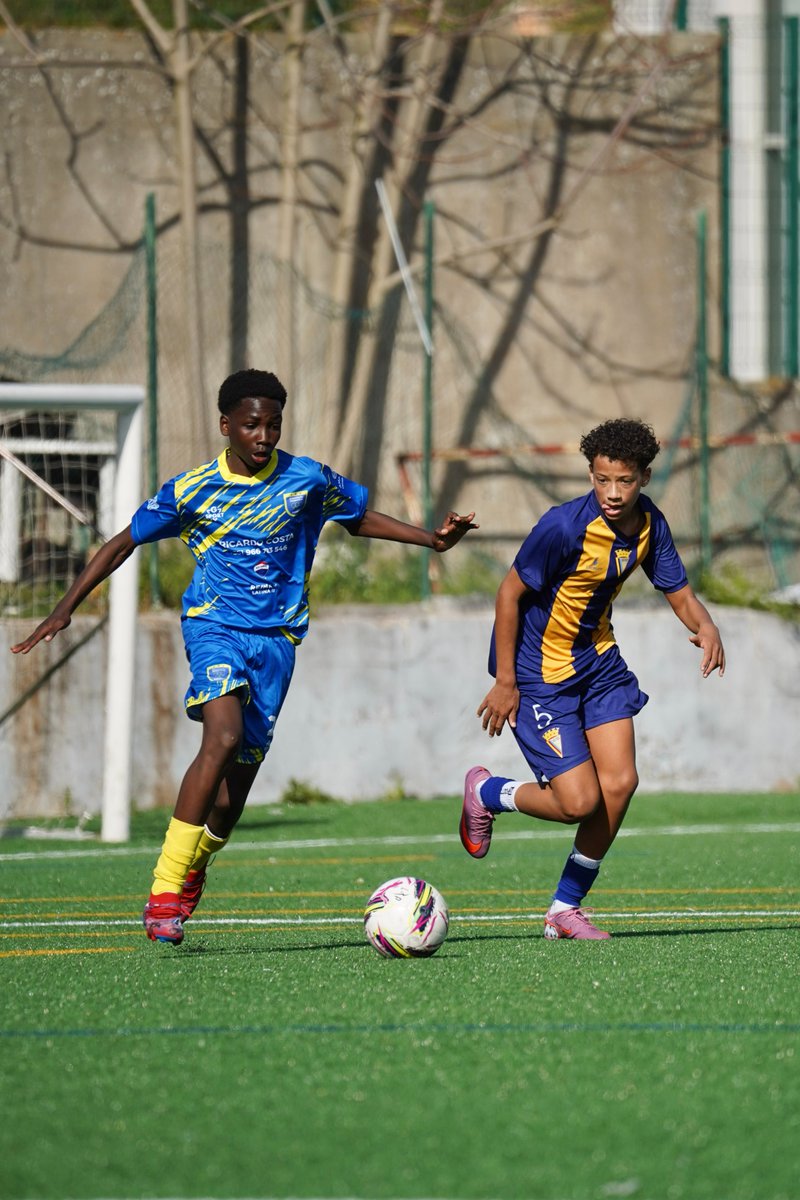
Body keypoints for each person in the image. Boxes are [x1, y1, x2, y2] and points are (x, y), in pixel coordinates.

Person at [12, 368, 477, 946]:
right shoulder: (193, 489)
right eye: (252, 424)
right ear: (226, 425)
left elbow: (356, 519)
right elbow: (122, 541)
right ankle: (163, 893)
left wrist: (432, 540)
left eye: (274, 424)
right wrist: (65, 606)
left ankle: (196, 866)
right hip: (215, 628)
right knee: (222, 738)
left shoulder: (305, 478)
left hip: (277, 641)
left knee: (233, 796)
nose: (264, 435)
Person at [460, 417, 724, 940]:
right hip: (541, 675)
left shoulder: (650, 524)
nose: (612, 492)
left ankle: (564, 909)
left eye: (624, 480)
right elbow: (508, 594)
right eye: (602, 479)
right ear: (591, 474)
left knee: (621, 784)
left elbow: (680, 594)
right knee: (577, 803)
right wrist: (507, 681)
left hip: (600, 664)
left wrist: (707, 625)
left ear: (645, 477)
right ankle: (489, 792)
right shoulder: (563, 527)